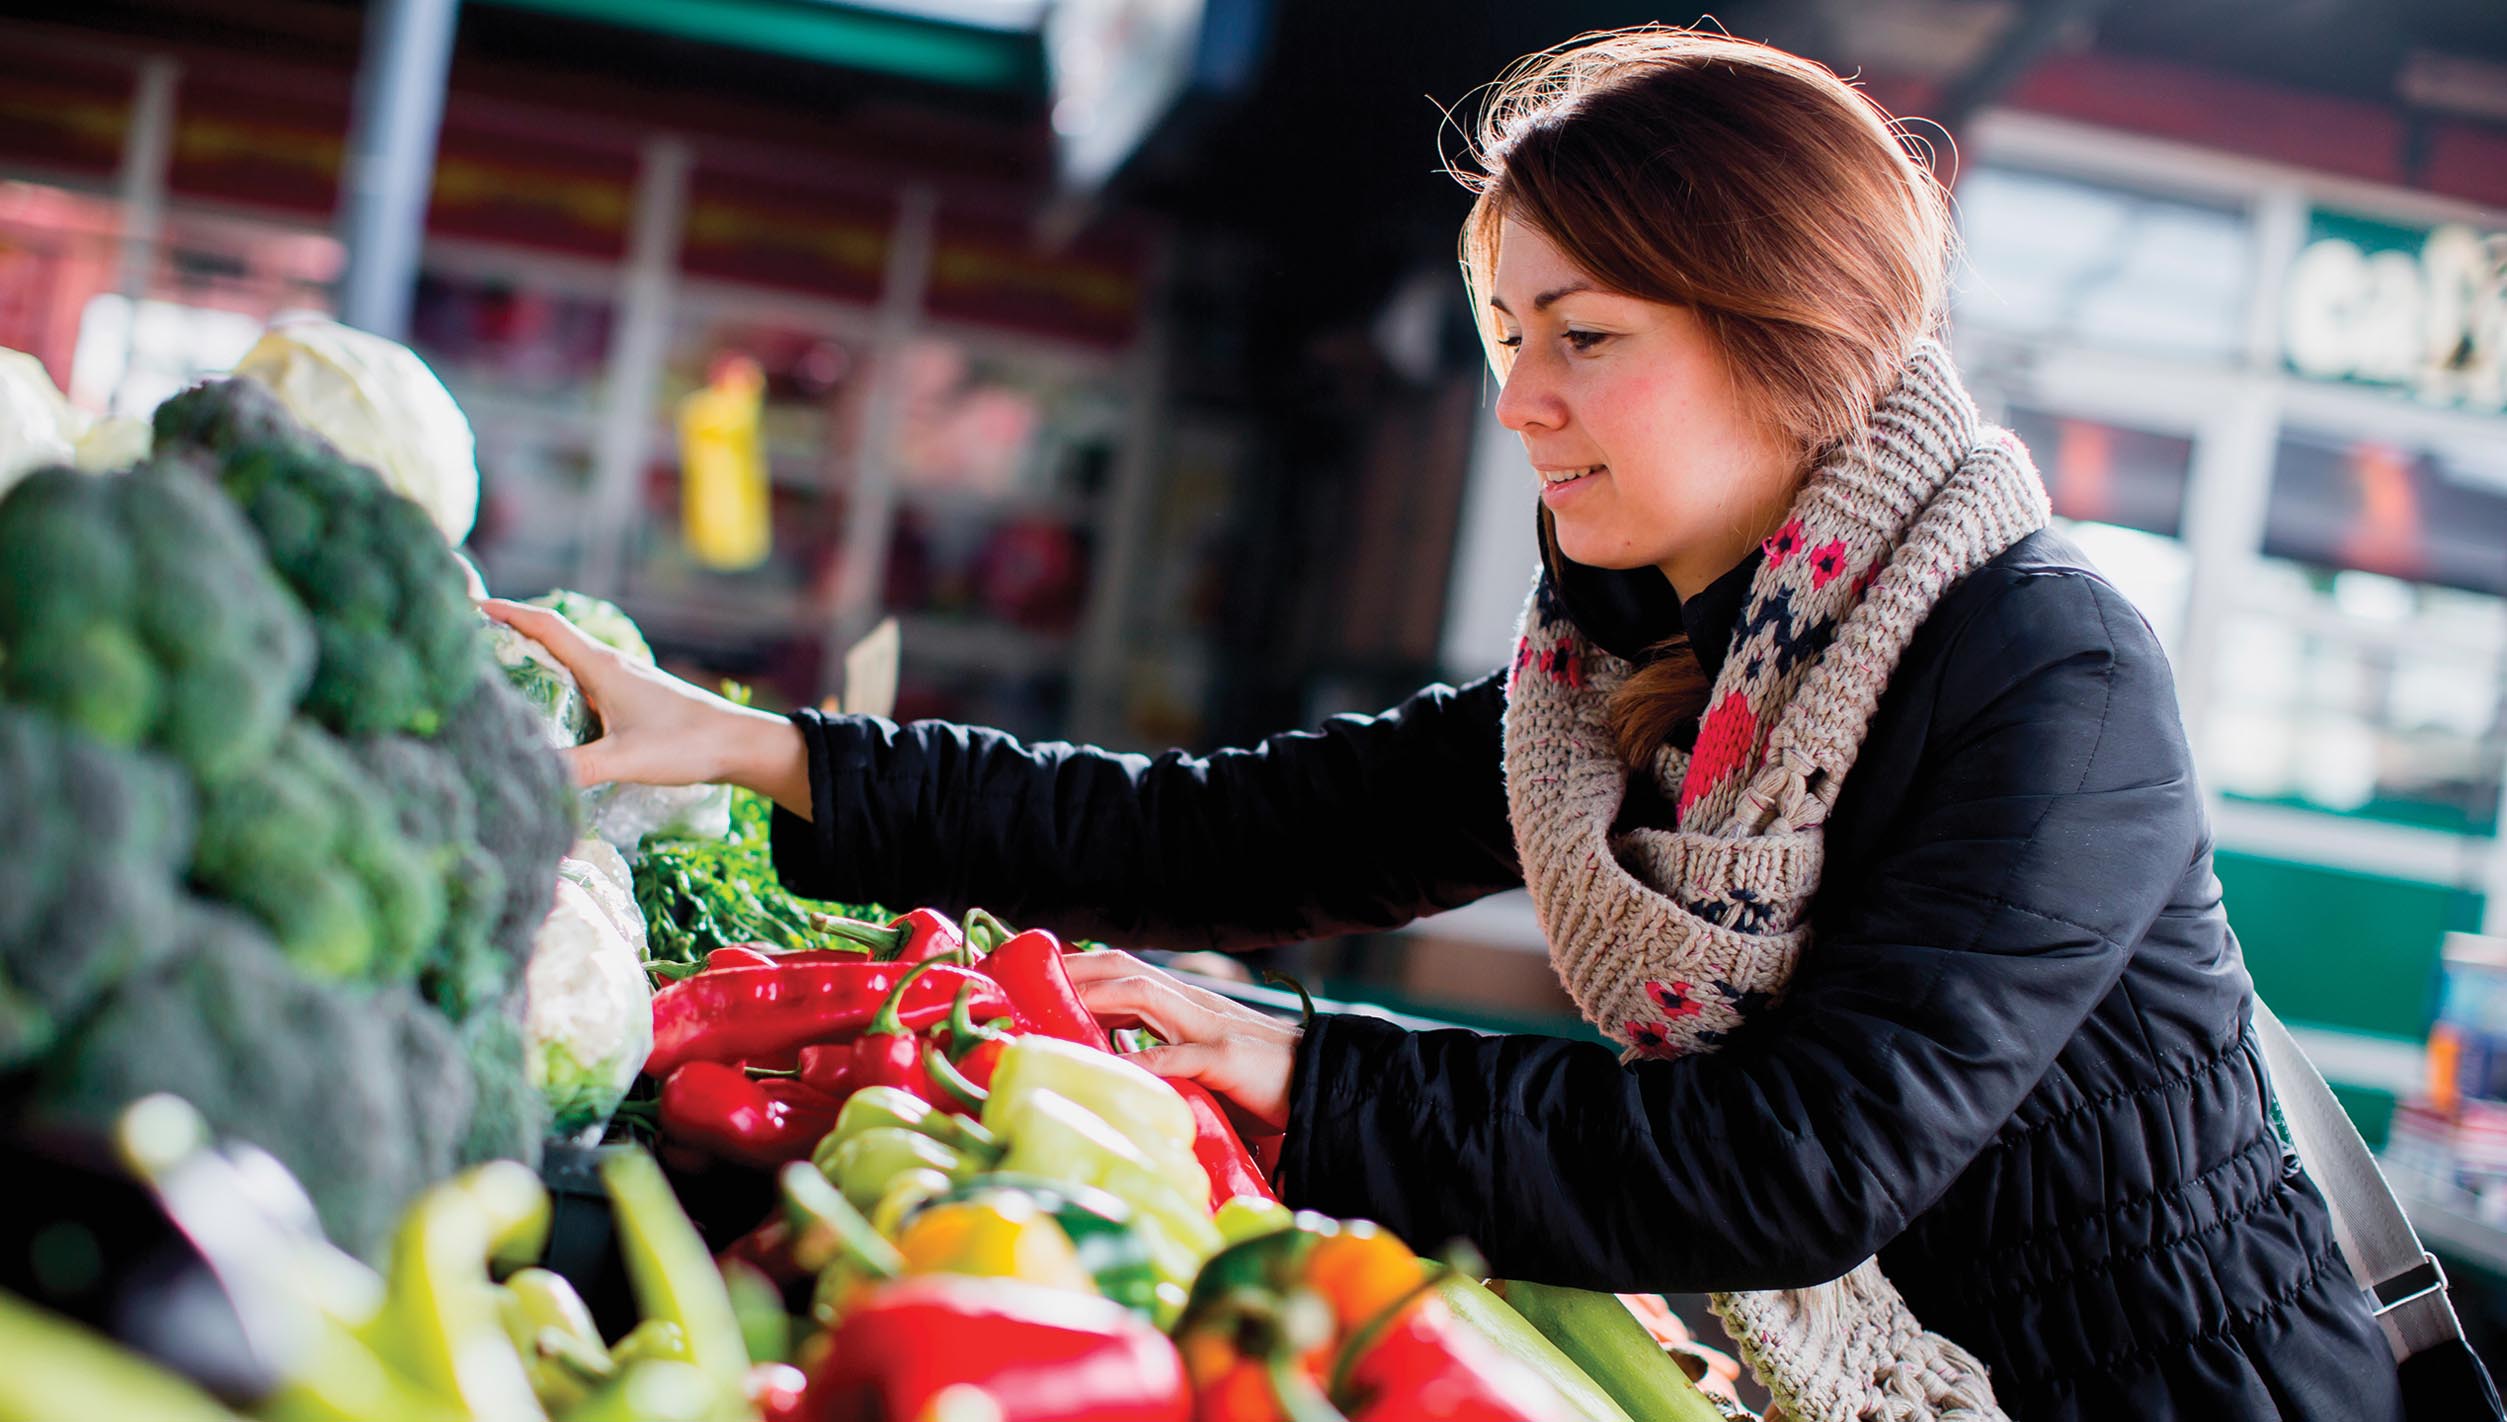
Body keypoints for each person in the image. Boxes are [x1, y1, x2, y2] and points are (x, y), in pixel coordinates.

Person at [486, 27, 2408, 1421]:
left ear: (1782, 332)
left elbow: (1804, 1159)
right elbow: (1222, 836)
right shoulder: (1642, 675)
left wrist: (1302, 1074)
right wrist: (765, 750)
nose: (1522, 405)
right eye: (1508, 343)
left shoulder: (2045, 673)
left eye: (1583, 339)